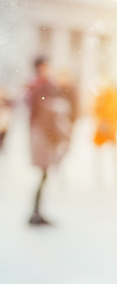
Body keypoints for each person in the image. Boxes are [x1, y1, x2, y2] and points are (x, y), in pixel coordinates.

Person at [24, 56, 73, 225]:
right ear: (42, 66)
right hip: (43, 135)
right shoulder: (41, 87)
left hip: (40, 134)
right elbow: (46, 113)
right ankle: (35, 212)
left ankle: (36, 211)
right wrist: (60, 134)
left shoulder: (36, 86)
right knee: (43, 173)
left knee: (44, 174)